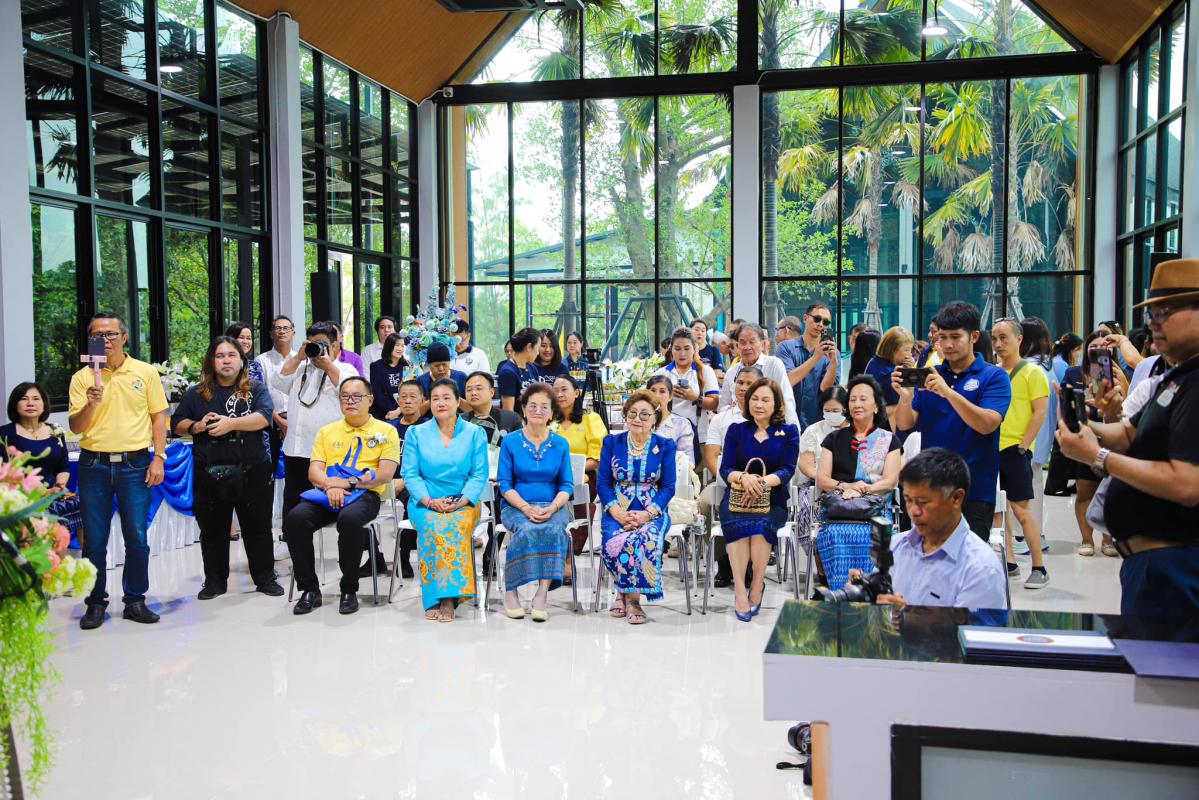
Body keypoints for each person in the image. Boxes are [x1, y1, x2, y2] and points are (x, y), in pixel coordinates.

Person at [1057, 259, 1199, 640]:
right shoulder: (1175, 376)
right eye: (1152, 314)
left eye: (1166, 312)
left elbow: (1187, 484)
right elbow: (1129, 433)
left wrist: (1098, 456)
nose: (1153, 324)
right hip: (1152, 567)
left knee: (1166, 673)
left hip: (1176, 568)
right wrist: (1085, 428)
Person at [69, 312, 168, 629]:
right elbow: (76, 426)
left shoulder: (145, 372)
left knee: (136, 537)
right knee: (94, 540)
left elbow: (158, 418)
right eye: (97, 335)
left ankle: (135, 600)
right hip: (93, 464)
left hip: (135, 464)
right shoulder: (83, 377)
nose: (105, 340)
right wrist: (90, 403)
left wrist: (159, 457)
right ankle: (95, 603)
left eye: (110, 334)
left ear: (124, 337)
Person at [173, 336, 282, 600]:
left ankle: (265, 578)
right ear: (212, 361)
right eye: (220, 356)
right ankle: (214, 582)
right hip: (210, 472)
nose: (226, 361)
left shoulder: (255, 388)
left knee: (258, 528)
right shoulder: (197, 393)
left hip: (252, 470)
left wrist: (231, 423)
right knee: (212, 530)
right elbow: (177, 423)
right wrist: (197, 426)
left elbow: (263, 417)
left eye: (231, 355)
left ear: (241, 360)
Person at [893, 301, 1011, 542]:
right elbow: (905, 424)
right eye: (942, 337)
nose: (947, 344)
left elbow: (987, 424)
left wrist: (948, 392)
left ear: (974, 336)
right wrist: (904, 398)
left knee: (968, 559)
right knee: (929, 556)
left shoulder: (994, 376)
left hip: (974, 490)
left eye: (956, 337)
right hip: (931, 488)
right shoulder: (930, 374)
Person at [283, 376, 400, 616]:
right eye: (345, 396)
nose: (350, 401)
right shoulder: (327, 432)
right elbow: (314, 471)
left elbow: (385, 474)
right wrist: (330, 485)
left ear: (370, 400)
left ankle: (349, 589)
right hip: (327, 493)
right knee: (295, 519)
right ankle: (309, 589)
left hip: (366, 494)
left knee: (349, 520)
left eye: (357, 396)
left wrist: (347, 483)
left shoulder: (386, 430)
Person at [402, 379, 489, 622]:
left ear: (458, 401)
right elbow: (410, 474)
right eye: (435, 398)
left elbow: (479, 474)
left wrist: (461, 501)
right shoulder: (416, 433)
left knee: (453, 525)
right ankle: (435, 596)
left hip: (464, 501)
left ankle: (450, 597)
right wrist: (430, 501)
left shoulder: (475, 433)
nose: (441, 403)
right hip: (425, 501)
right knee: (433, 525)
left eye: (446, 397)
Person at [876, 448, 1007, 610]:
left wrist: (906, 616)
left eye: (923, 502)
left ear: (956, 498)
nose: (914, 511)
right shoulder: (895, 546)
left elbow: (969, 626)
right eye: (908, 500)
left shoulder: (980, 569)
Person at [718, 378, 800, 621]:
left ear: (776, 404)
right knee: (737, 525)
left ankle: (757, 584)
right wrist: (744, 478)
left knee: (761, 526)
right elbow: (725, 468)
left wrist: (761, 483)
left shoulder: (788, 432)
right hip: (737, 497)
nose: (759, 404)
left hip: (772, 497)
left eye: (765, 400)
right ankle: (740, 590)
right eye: (754, 399)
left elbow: (788, 469)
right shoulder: (736, 430)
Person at [814, 376, 902, 590]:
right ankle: (840, 593)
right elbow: (822, 479)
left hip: (876, 512)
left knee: (878, 536)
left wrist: (863, 490)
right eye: (852, 399)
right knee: (832, 534)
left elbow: (891, 480)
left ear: (876, 406)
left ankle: (870, 594)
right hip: (839, 510)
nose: (857, 404)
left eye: (863, 399)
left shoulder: (889, 440)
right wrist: (847, 487)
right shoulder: (833, 439)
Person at [597, 391, 677, 625]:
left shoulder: (665, 446)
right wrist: (617, 512)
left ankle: (631, 599)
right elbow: (603, 483)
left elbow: (668, 487)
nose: (637, 419)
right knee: (615, 537)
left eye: (644, 414)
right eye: (632, 413)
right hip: (617, 508)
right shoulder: (612, 442)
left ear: (655, 418)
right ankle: (624, 592)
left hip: (652, 510)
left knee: (644, 538)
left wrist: (647, 514)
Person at [496, 383, 574, 622]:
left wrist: (552, 507)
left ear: (552, 413)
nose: (538, 411)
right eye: (532, 406)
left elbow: (567, 485)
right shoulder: (510, 442)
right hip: (516, 505)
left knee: (553, 529)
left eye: (544, 407)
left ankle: (542, 593)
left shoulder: (561, 444)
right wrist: (525, 507)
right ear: (523, 409)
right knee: (527, 529)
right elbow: (504, 484)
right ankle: (512, 591)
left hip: (553, 505)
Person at [273, 321, 359, 521]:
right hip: (296, 449)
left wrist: (328, 366)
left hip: (328, 453)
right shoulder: (301, 369)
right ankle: (290, 535)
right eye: (312, 344)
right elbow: (278, 381)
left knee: (334, 501)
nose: (317, 349)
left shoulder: (346, 369)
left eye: (321, 344)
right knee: (293, 499)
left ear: (335, 345)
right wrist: (298, 357)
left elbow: (351, 393)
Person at [991, 318, 1050, 589]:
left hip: (1015, 449)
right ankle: (1010, 562)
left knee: (1021, 511)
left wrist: (1024, 445)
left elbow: (1040, 412)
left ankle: (1039, 567)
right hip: (992, 448)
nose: (998, 344)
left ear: (1019, 339)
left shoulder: (1032, 373)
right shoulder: (994, 373)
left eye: (1004, 337)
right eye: (994, 338)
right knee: (999, 511)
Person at [1060, 331, 1121, 556]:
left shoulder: (1116, 374)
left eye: (1102, 347)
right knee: (1084, 490)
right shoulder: (1074, 372)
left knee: (1110, 491)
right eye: (1093, 346)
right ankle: (1086, 540)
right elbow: (1065, 399)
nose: (1096, 350)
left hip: (1112, 436)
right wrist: (1081, 409)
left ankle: (1108, 539)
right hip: (1084, 435)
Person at [701, 365, 762, 587]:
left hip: (761, 483)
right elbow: (711, 456)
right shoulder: (722, 419)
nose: (743, 388)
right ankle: (723, 561)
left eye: (749, 383)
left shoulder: (769, 418)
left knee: (758, 502)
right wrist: (730, 479)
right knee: (706, 503)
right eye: (740, 383)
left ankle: (750, 563)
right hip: (725, 481)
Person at [1018, 316, 1058, 557]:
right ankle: (1036, 535)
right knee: (1035, 486)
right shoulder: (1050, 366)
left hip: (1026, 437)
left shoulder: (1028, 368)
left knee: (1024, 490)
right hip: (1042, 437)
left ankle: (1025, 537)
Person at [653, 328, 720, 460]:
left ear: (694, 349)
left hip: (699, 437)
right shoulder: (661, 373)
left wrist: (694, 397)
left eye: (687, 348)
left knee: (695, 471)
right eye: (677, 349)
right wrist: (666, 396)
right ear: (671, 349)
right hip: (666, 436)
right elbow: (650, 403)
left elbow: (714, 404)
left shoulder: (705, 371)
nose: (682, 353)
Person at [720, 323, 799, 426]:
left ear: (762, 344)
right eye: (743, 343)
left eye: (752, 342)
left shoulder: (774, 364)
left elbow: (786, 399)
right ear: (737, 346)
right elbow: (723, 404)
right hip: (738, 428)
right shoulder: (731, 372)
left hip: (770, 427)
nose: (747, 347)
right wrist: (731, 410)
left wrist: (793, 429)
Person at [387, 379, 428, 579]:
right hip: (387, 480)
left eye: (413, 396)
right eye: (403, 396)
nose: (408, 401)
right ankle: (376, 557)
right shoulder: (389, 428)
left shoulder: (428, 428)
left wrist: (405, 480)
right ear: (398, 401)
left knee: (412, 499)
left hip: (414, 482)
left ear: (423, 400)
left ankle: (403, 556)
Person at [774, 307, 839, 429]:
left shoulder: (833, 354)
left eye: (826, 322)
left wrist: (833, 364)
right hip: (787, 420)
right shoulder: (785, 347)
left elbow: (826, 389)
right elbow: (788, 380)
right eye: (817, 319)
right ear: (805, 318)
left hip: (817, 422)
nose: (820, 324)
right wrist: (816, 357)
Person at [2, 382, 70, 491]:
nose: (30, 403)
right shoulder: (4, 433)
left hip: (53, 496)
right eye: (24, 399)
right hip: (20, 496)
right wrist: (43, 492)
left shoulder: (55, 431)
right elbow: (5, 471)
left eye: (36, 399)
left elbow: (64, 467)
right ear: (15, 404)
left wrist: (59, 487)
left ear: (44, 405)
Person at [255, 315, 297, 474]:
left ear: (293, 333)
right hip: (270, 422)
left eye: (286, 328)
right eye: (277, 328)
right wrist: (279, 421)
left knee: (296, 469)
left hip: (296, 422)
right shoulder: (261, 360)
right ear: (271, 334)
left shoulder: (302, 360)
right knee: (270, 470)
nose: (282, 331)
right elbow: (259, 397)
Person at [866, 326, 915, 430]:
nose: (910, 354)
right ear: (893, 350)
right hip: (887, 426)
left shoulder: (874, 361)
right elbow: (907, 402)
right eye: (906, 350)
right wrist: (911, 371)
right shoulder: (891, 375)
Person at [462, 371, 521, 448]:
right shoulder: (460, 421)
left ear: (491, 392)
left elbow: (518, 449)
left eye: (479, 388)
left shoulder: (511, 418)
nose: (473, 393)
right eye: (469, 390)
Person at [645, 375, 695, 467]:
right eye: (653, 391)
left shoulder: (682, 424)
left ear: (670, 396)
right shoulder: (637, 421)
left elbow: (687, 462)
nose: (657, 396)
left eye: (662, 391)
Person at [497, 328, 542, 412]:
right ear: (529, 347)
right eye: (538, 348)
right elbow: (508, 412)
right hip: (517, 419)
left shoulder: (532, 368)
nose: (538, 353)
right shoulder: (507, 373)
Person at [414, 343, 469, 412]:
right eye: (436, 365)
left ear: (449, 362)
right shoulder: (420, 381)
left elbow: (471, 409)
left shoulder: (461, 377)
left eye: (444, 364)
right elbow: (416, 413)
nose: (441, 369)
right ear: (429, 365)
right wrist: (435, 397)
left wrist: (451, 394)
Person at [368, 332, 409, 420]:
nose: (400, 348)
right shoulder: (376, 367)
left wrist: (399, 411)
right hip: (383, 414)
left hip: (404, 413)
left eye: (402, 346)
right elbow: (378, 394)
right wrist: (392, 413)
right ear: (389, 346)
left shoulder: (406, 366)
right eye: (397, 345)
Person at [839, 323, 870, 387]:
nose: (858, 343)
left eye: (862, 340)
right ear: (849, 339)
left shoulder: (874, 365)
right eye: (855, 339)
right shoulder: (840, 364)